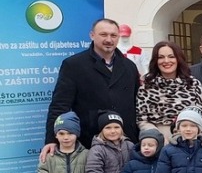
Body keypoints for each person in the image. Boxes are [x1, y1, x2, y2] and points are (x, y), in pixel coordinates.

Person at [44, 18, 140, 156]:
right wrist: (52, 139)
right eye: (103, 34)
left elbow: (137, 104)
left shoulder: (129, 66)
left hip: (127, 142)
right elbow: (59, 105)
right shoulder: (74, 65)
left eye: (113, 35)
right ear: (92, 35)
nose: (109, 39)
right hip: (90, 142)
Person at [137, 42, 202, 139]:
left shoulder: (193, 84)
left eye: (171, 56)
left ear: (178, 59)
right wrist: (158, 138)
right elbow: (142, 120)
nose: (166, 61)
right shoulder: (147, 87)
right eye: (161, 57)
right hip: (159, 141)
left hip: (190, 139)